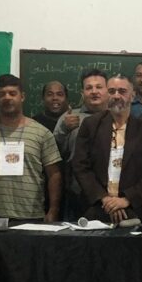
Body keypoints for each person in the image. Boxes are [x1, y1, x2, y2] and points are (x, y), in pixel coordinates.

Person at [0, 74, 62, 228]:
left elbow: (54, 174)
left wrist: (53, 210)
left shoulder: (42, 132)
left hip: (32, 216)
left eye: (12, 93)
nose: (7, 98)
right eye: (2, 94)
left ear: (22, 96)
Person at [72, 74, 142, 224]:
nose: (116, 96)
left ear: (132, 95)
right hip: (96, 206)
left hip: (133, 209)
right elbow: (80, 166)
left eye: (122, 91)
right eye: (112, 91)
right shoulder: (91, 125)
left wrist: (126, 200)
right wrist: (105, 199)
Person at [55, 69, 108, 219]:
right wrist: (64, 130)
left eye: (99, 87)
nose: (94, 91)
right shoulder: (70, 117)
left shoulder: (118, 117)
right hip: (77, 193)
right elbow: (54, 154)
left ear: (107, 90)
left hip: (111, 193)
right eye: (89, 88)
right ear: (82, 93)